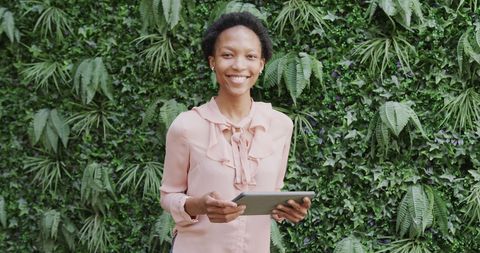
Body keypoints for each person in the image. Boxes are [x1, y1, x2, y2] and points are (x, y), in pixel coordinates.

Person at [160, 12, 312, 253]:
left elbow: (273, 192)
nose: (239, 65)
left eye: (250, 56)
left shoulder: (281, 125)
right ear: (212, 61)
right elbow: (168, 196)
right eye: (227, 55)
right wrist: (197, 205)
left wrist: (286, 208)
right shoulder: (186, 126)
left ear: (261, 64)